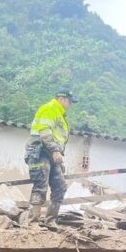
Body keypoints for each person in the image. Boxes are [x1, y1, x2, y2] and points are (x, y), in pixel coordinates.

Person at [22, 88, 77, 227]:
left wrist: (58, 157)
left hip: (50, 153)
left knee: (60, 186)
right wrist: (55, 150)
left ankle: (50, 221)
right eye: (69, 101)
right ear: (62, 99)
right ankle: (32, 223)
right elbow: (44, 131)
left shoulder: (59, 113)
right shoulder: (51, 109)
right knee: (40, 185)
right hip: (38, 152)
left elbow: (56, 138)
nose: (70, 105)